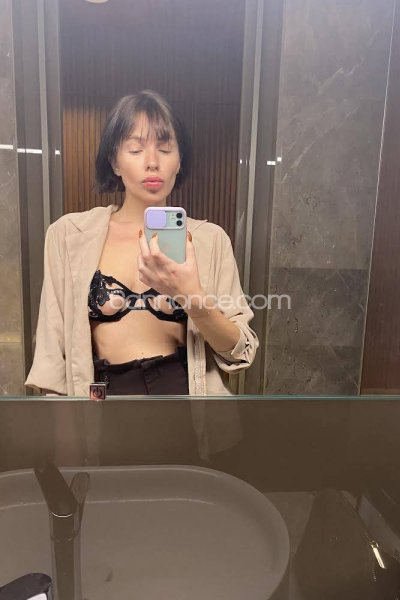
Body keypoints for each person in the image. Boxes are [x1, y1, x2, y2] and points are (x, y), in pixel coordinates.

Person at [25, 90, 259, 458]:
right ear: (114, 161)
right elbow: (52, 357)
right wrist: (67, 451)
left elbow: (240, 351)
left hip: (186, 406)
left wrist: (192, 296)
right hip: (102, 405)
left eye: (165, 149)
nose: (152, 163)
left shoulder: (210, 241)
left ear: (180, 161)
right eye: (135, 149)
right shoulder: (69, 236)